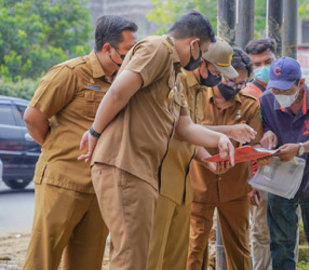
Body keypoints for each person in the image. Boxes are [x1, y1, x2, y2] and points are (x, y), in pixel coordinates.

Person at [77, 11, 235, 270]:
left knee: (138, 255)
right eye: (204, 51)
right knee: (131, 258)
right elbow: (118, 92)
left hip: (142, 171)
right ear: (194, 44)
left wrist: (220, 139)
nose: (201, 59)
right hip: (124, 164)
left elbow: (185, 128)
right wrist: (94, 132)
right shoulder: (157, 48)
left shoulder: (174, 73)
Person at [22, 16, 137, 270]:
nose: (132, 57)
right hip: (63, 182)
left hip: (101, 186)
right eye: (128, 51)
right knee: (44, 258)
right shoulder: (70, 73)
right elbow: (33, 117)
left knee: (88, 261)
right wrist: (56, 148)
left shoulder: (123, 81)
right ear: (108, 49)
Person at [146, 38, 239, 270]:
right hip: (161, 178)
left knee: (178, 255)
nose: (220, 78)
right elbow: (180, 131)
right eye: (217, 70)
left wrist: (207, 160)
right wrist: (223, 135)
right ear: (202, 63)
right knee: (153, 251)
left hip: (182, 179)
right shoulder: (176, 83)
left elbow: (191, 134)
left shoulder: (199, 89)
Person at [187, 47, 262, 270]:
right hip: (198, 185)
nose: (236, 88)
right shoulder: (196, 98)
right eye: (231, 83)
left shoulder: (250, 104)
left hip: (236, 188)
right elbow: (185, 131)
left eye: (242, 84)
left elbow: (256, 146)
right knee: (193, 248)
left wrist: (261, 153)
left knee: (239, 248)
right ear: (220, 73)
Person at [258, 57, 309, 269]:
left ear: (301, 83)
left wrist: (299, 148)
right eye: (275, 89)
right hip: (280, 183)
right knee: (281, 244)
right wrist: (267, 135)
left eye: (285, 90)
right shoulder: (266, 100)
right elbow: (263, 129)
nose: (279, 95)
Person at [243, 38, 277, 270]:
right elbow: (244, 143)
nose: (263, 67)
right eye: (257, 64)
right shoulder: (247, 95)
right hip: (260, 172)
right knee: (261, 231)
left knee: (287, 229)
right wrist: (251, 179)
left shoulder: (288, 88)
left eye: (268, 61)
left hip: (286, 167)